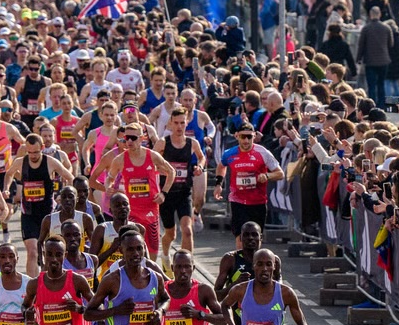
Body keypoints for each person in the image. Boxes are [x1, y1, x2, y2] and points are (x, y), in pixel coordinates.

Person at [96, 126, 174, 263]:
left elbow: (171, 171)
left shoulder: (152, 156)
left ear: (142, 138)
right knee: (132, 246)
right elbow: (109, 177)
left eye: (133, 138)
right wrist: (108, 187)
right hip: (131, 212)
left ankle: (151, 274)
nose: (129, 141)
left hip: (151, 209)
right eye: (127, 138)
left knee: (152, 250)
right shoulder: (120, 159)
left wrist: (164, 193)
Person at [4, 133, 73, 277]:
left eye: (36, 152)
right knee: (33, 251)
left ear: (42, 148)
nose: (33, 156)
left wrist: (65, 195)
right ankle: (32, 286)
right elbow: (9, 173)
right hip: (28, 214)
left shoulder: (50, 162)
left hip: (47, 214)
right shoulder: (21, 162)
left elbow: (70, 177)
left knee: (48, 251)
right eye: (29, 152)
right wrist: (6, 188)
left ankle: (48, 281)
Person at [214, 122, 284, 247]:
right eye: (243, 137)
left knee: (255, 239)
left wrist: (267, 175)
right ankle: (242, 265)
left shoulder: (263, 152)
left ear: (254, 136)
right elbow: (221, 167)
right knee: (241, 237)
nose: (246, 140)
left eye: (249, 137)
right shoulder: (229, 153)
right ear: (237, 136)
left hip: (258, 202)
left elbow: (280, 173)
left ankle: (254, 265)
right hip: (238, 201)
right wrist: (219, 184)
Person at [155, 108, 207, 258]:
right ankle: (165, 255)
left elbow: (202, 157)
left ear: (187, 123)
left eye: (182, 123)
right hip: (167, 193)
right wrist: (160, 169)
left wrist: (200, 167)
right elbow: (151, 160)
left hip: (184, 192)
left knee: (187, 230)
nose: (179, 127)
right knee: (170, 234)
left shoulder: (192, 143)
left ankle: (187, 263)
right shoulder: (162, 143)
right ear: (170, 123)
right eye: (176, 123)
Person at [354, 7, 392, 105]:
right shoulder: (386, 28)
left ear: (370, 15)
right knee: (381, 84)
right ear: (379, 15)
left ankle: (371, 105)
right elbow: (391, 44)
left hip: (370, 61)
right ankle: (382, 105)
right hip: (384, 60)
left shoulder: (366, 28)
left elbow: (361, 45)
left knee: (371, 85)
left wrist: (358, 58)